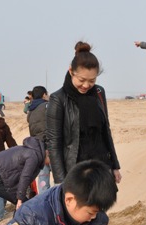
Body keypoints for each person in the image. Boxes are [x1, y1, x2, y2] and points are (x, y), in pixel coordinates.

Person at [46, 42, 121, 185]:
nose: (86, 85)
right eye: (81, 80)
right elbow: (54, 143)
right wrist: (60, 182)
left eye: (92, 80)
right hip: (75, 171)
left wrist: (114, 165)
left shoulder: (99, 92)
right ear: (71, 71)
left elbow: (105, 131)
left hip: (101, 167)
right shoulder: (58, 99)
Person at [0, 136, 46, 209]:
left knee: (23, 205)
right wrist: (20, 199)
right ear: (46, 152)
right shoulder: (33, 156)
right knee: (25, 206)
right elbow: (25, 177)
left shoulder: (31, 152)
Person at [27, 85, 51, 193]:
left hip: (37, 148)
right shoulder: (47, 106)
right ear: (44, 95)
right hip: (50, 146)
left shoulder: (30, 110)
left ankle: (44, 200)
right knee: (60, 178)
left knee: (43, 178)